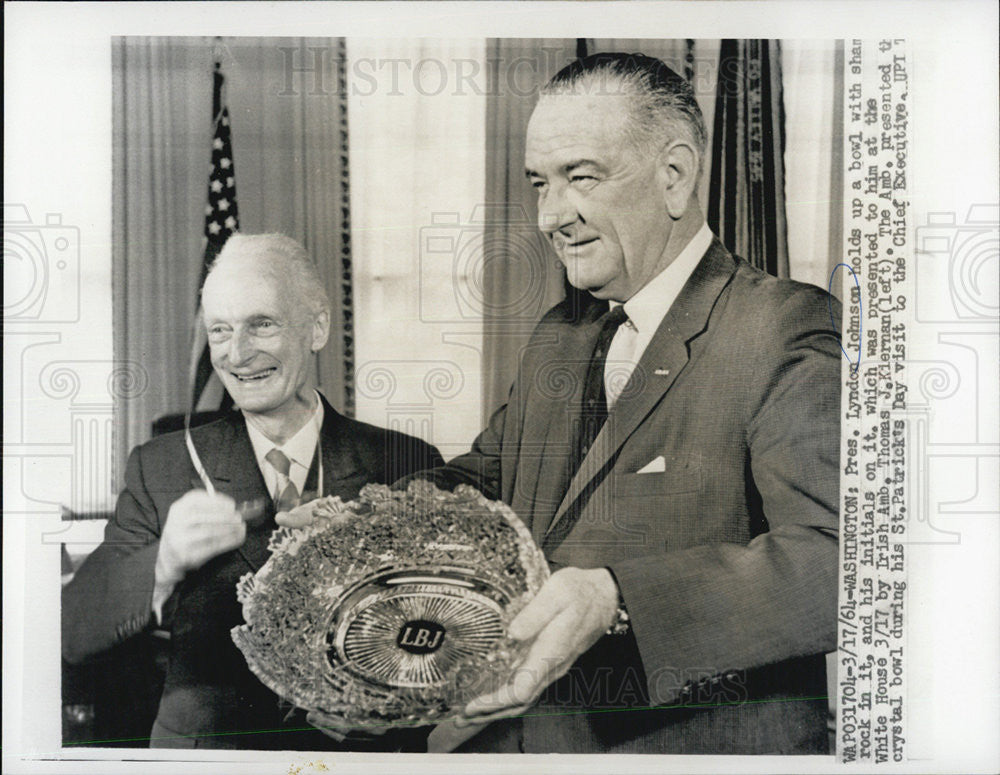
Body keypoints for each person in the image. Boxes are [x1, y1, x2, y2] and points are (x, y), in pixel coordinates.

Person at [419, 53, 842, 754]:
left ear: (673, 175)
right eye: (539, 184)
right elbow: (489, 480)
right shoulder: (560, 335)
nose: (552, 216)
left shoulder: (782, 327)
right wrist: (364, 514)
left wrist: (616, 598)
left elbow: (840, 565)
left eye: (581, 177)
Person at [61, 233, 443, 750]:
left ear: (317, 327)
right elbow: (75, 630)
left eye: (262, 324)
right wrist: (165, 559)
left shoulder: (405, 463)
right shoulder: (161, 466)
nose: (238, 354)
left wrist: (388, 707)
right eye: (221, 330)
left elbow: (445, 632)